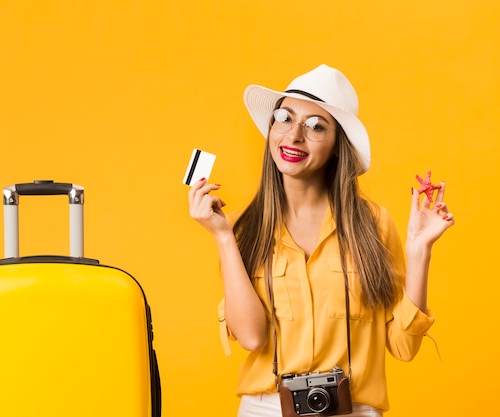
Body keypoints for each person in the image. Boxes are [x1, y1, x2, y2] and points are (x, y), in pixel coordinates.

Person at [188, 64, 454, 417]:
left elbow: (404, 348)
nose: (294, 135)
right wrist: (223, 238)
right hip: (266, 408)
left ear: (338, 147)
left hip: (352, 408)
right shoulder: (243, 229)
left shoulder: (374, 225)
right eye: (284, 117)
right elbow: (251, 338)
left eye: (316, 126)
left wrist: (420, 251)